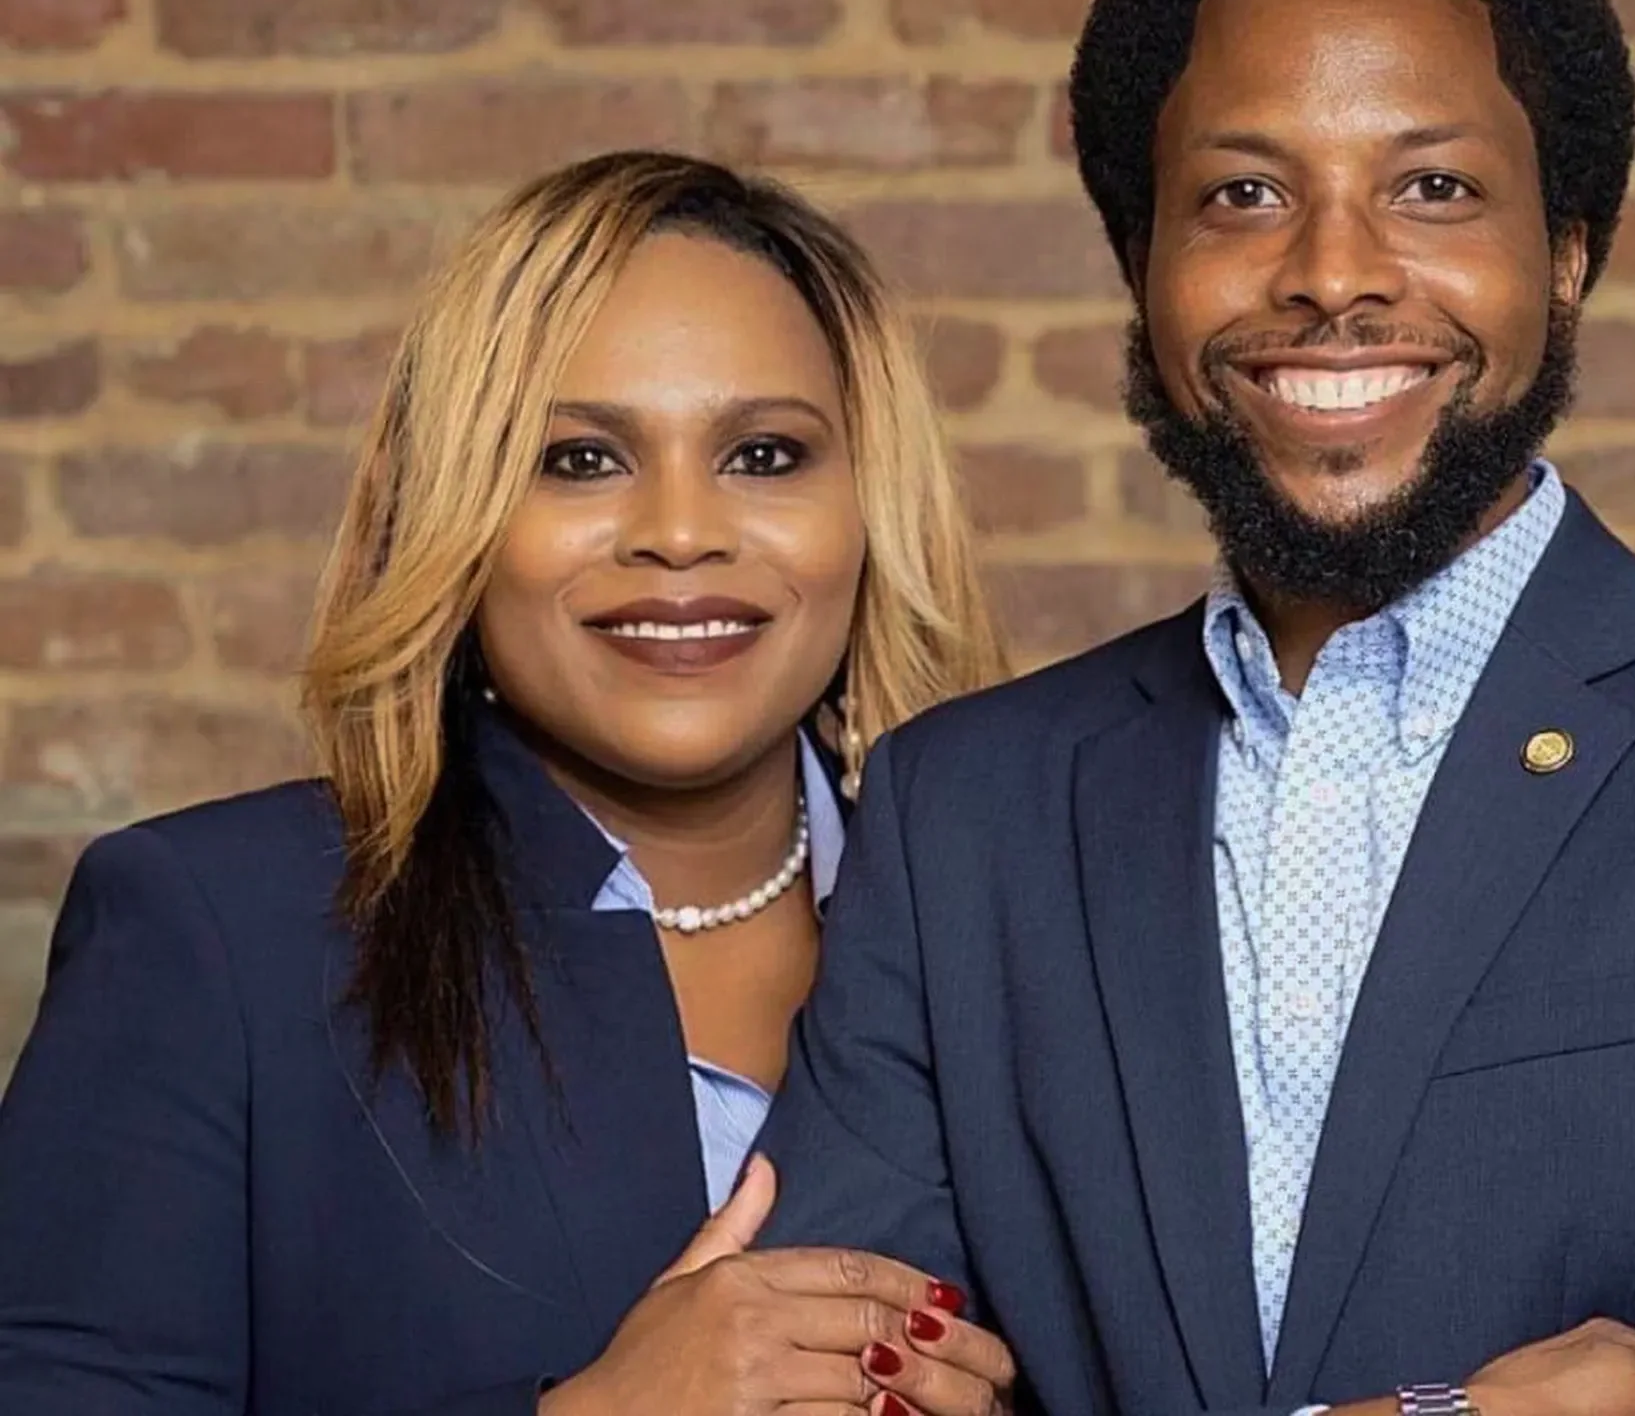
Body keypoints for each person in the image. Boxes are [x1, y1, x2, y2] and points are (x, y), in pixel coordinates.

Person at [757, 0, 1635, 1416]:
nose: (1334, 274)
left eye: (1433, 188)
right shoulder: (964, 810)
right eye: (1244, 194)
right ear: (1143, 269)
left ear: (1567, 253)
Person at [0, 151, 1018, 1416]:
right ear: (457, 510)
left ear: (870, 504)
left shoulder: (1025, 935)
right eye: (579, 459)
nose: (681, 530)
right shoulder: (216, 932)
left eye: (764, 453)